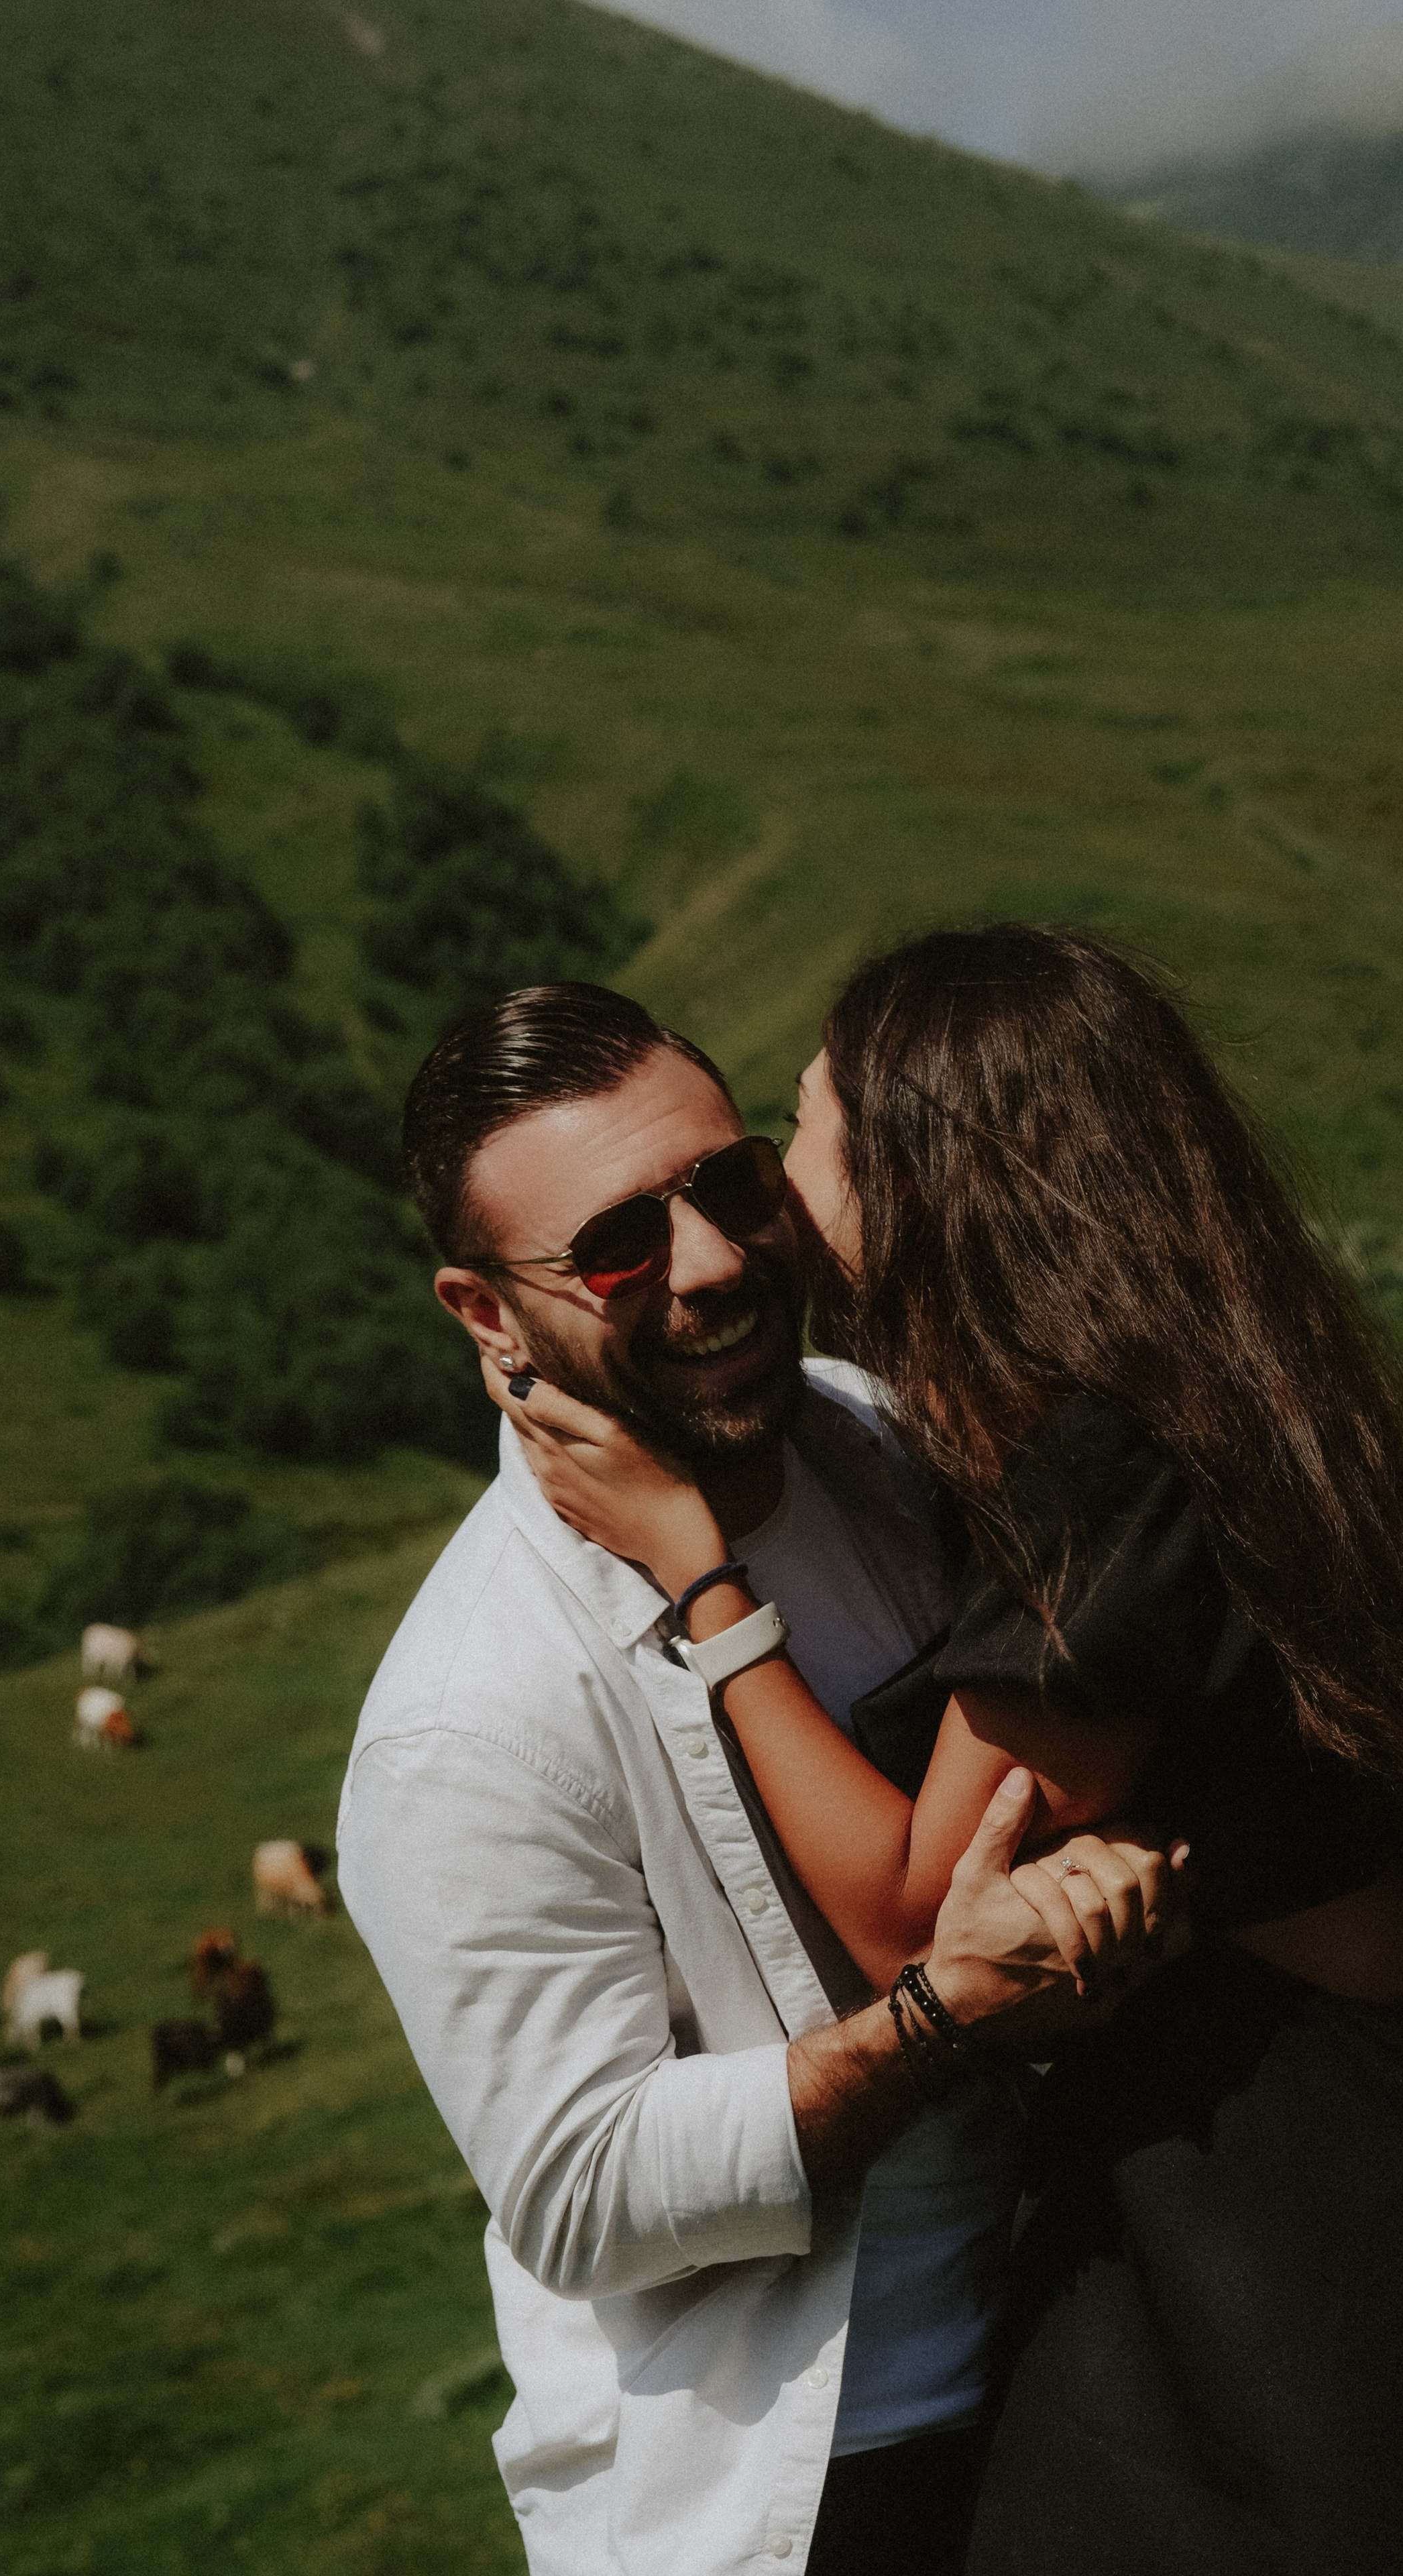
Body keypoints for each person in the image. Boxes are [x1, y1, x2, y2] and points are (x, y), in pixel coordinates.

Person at [493, 926, 1403, 2576]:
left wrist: (699, 1577)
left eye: (806, 1133)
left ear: (922, 1175)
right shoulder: (1145, 1400)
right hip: (1284, 2159)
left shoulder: (1101, 1471)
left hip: (1274, 2221)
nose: (769, 1195)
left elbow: (911, 1914)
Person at [336, 980, 1181, 2576]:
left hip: (1086, 2339)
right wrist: (932, 2028)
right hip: (819, 2473)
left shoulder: (880, 1440)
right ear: (484, 1314)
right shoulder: (467, 1718)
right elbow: (581, 2191)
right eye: (615, 1247)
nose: (713, 1262)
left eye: (727, 1185)